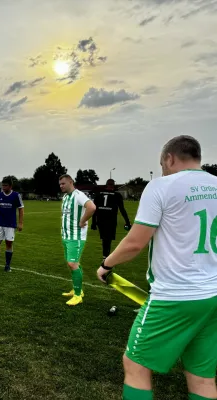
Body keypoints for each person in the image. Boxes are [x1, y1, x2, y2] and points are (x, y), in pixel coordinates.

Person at [96, 135, 217, 400]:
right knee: (202, 378)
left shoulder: (161, 186)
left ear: (169, 158)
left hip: (175, 296)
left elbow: (134, 243)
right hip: (212, 296)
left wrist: (106, 265)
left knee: (136, 365)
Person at [59, 174, 96, 306]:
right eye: (60, 184)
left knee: (72, 264)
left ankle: (78, 295)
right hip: (66, 236)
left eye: (63, 183)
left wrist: (83, 220)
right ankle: (77, 289)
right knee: (74, 264)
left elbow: (92, 207)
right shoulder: (65, 197)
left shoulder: (78, 195)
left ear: (71, 182)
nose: (61, 186)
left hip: (76, 236)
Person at [0, 176, 24, 272]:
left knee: (9, 243)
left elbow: (21, 209)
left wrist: (20, 223)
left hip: (10, 224)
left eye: (6, 185)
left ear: (11, 186)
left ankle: (7, 266)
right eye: (2, 185)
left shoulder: (16, 195)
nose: (3, 187)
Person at [91, 179, 131, 260]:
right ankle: (106, 258)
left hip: (100, 220)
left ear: (106, 185)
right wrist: (127, 222)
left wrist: (93, 222)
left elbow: (94, 209)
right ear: (113, 186)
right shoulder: (117, 195)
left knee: (104, 239)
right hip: (111, 220)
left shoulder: (98, 194)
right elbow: (122, 209)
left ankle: (105, 256)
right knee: (108, 240)